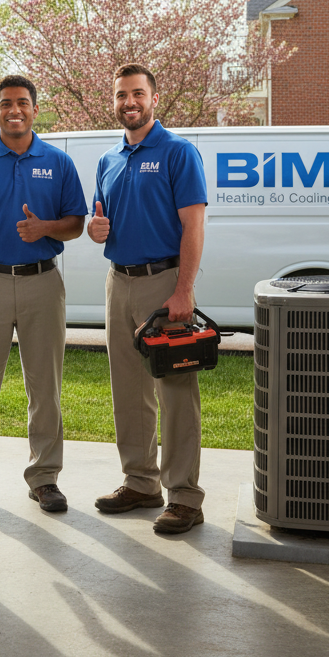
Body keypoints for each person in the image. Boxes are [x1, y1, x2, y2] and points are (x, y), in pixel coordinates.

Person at [0, 75, 87, 514]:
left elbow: (76, 223)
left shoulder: (58, 163)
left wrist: (45, 228)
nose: (14, 110)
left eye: (22, 103)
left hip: (43, 281)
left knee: (46, 384)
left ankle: (44, 478)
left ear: (34, 109)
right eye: (6, 103)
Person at [87, 64, 208, 534]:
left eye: (137, 93)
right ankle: (141, 482)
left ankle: (184, 496)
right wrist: (97, 230)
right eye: (121, 95)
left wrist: (184, 289)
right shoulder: (108, 160)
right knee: (129, 390)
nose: (129, 102)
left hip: (165, 282)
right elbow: (101, 222)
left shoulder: (179, 153)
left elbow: (194, 226)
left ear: (154, 99)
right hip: (118, 281)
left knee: (176, 391)